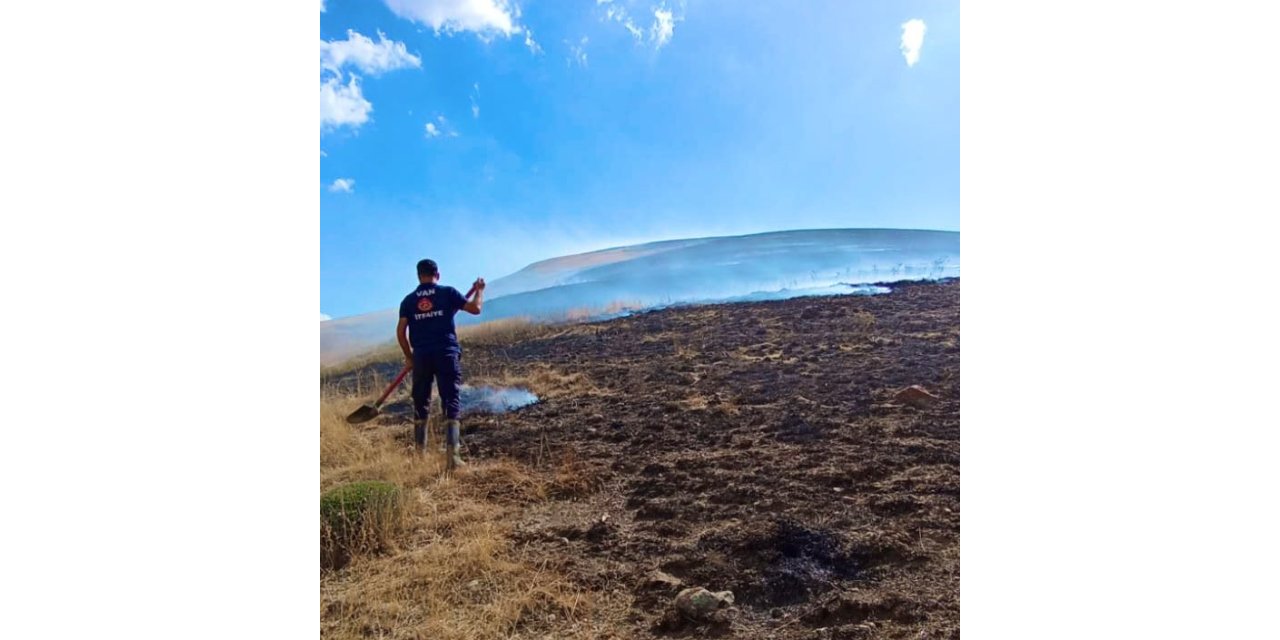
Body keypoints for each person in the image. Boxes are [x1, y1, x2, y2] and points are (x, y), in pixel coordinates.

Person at [396, 259, 485, 469]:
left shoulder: (408, 301)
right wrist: (479, 290)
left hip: (422, 357)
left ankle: (420, 456)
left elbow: (401, 332)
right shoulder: (448, 293)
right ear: (438, 273)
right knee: (450, 400)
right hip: (446, 354)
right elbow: (475, 308)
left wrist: (409, 357)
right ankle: (452, 458)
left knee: (421, 402)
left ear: (419, 276)